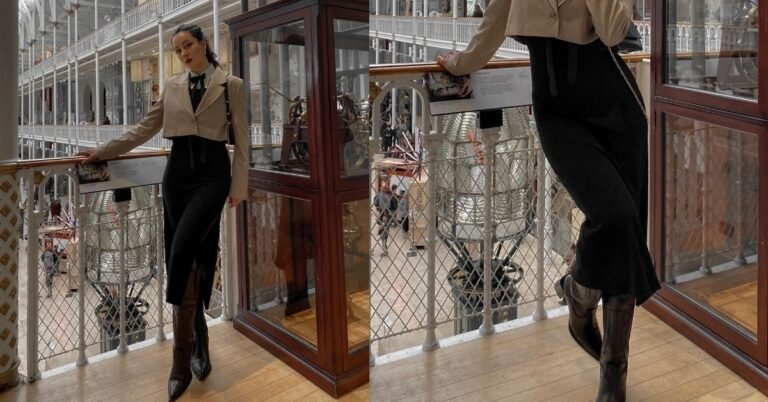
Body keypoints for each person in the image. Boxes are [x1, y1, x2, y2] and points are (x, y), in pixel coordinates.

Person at [437, 1, 661, 401]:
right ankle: (579, 292)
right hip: (559, 117)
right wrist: (460, 63)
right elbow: (494, 21)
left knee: (625, 226)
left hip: (618, 110)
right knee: (613, 214)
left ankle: (613, 367)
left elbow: (614, 32)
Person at [79, 23, 248, 401]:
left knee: (182, 250)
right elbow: (143, 130)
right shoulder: (171, 86)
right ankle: (199, 331)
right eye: (178, 49)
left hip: (213, 175)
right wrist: (103, 151)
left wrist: (238, 186)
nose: (184, 53)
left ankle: (180, 356)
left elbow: (242, 138)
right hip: (178, 177)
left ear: (203, 43)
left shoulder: (231, 85)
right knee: (189, 256)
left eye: (188, 45)